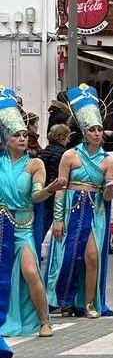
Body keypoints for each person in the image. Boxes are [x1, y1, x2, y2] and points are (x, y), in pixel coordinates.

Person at [43, 85, 113, 318]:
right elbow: (60, 188)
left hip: (95, 210)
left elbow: (107, 196)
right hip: (70, 207)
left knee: (91, 256)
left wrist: (109, 190)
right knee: (67, 255)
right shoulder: (70, 155)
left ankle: (88, 303)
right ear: (84, 132)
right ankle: (65, 300)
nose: (96, 133)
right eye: (91, 129)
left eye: (99, 129)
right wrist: (57, 219)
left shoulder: (108, 161)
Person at [0, 91, 65, 338]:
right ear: (6, 139)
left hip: (23, 225)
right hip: (0, 225)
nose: (22, 139)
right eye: (16, 135)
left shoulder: (34, 164)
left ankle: (43, 320)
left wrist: (49, 189)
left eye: (25, 135)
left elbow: (36, 196)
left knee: (30, 270)